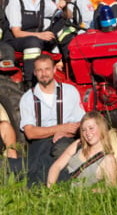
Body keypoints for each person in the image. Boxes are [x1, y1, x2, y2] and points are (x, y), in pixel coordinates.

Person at [19, 54, 86, 186]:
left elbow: (82, 122)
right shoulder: (27, 98)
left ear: (55, 69)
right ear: (34, 73)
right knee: (35, 170)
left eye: (47, 69)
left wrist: (66, 132)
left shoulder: (70, 91)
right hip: (39, 145)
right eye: (40, 70)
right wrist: (60, 128)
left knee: (62, 148)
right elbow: (30, 132)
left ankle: (67, 185)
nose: (44, 74)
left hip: (66, 140)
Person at [5, 0, 60, 85]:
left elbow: (58, 12)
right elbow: (16, 32)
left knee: (60, 23)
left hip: (36, 38)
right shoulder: (16, 1)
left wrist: (66, 9)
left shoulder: (43, 0)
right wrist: (40, 35)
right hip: (16, 41)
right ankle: (31, 82)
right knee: (33, 42)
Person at [46, 111, 117, 187]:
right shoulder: (78, 144)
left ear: (101, 128)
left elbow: (111, 188)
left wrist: (92, 192)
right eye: (84, 130)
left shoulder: (108, 159)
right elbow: (56, 166)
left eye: (91, 128)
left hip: (76, 196)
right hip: (59, 188)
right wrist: (51, 190)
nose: (87, 133)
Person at [51, 0, 95, 64]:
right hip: (56, 45)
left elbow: (90, 24)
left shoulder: (82, 0)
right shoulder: (51, 0)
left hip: (80, 41)